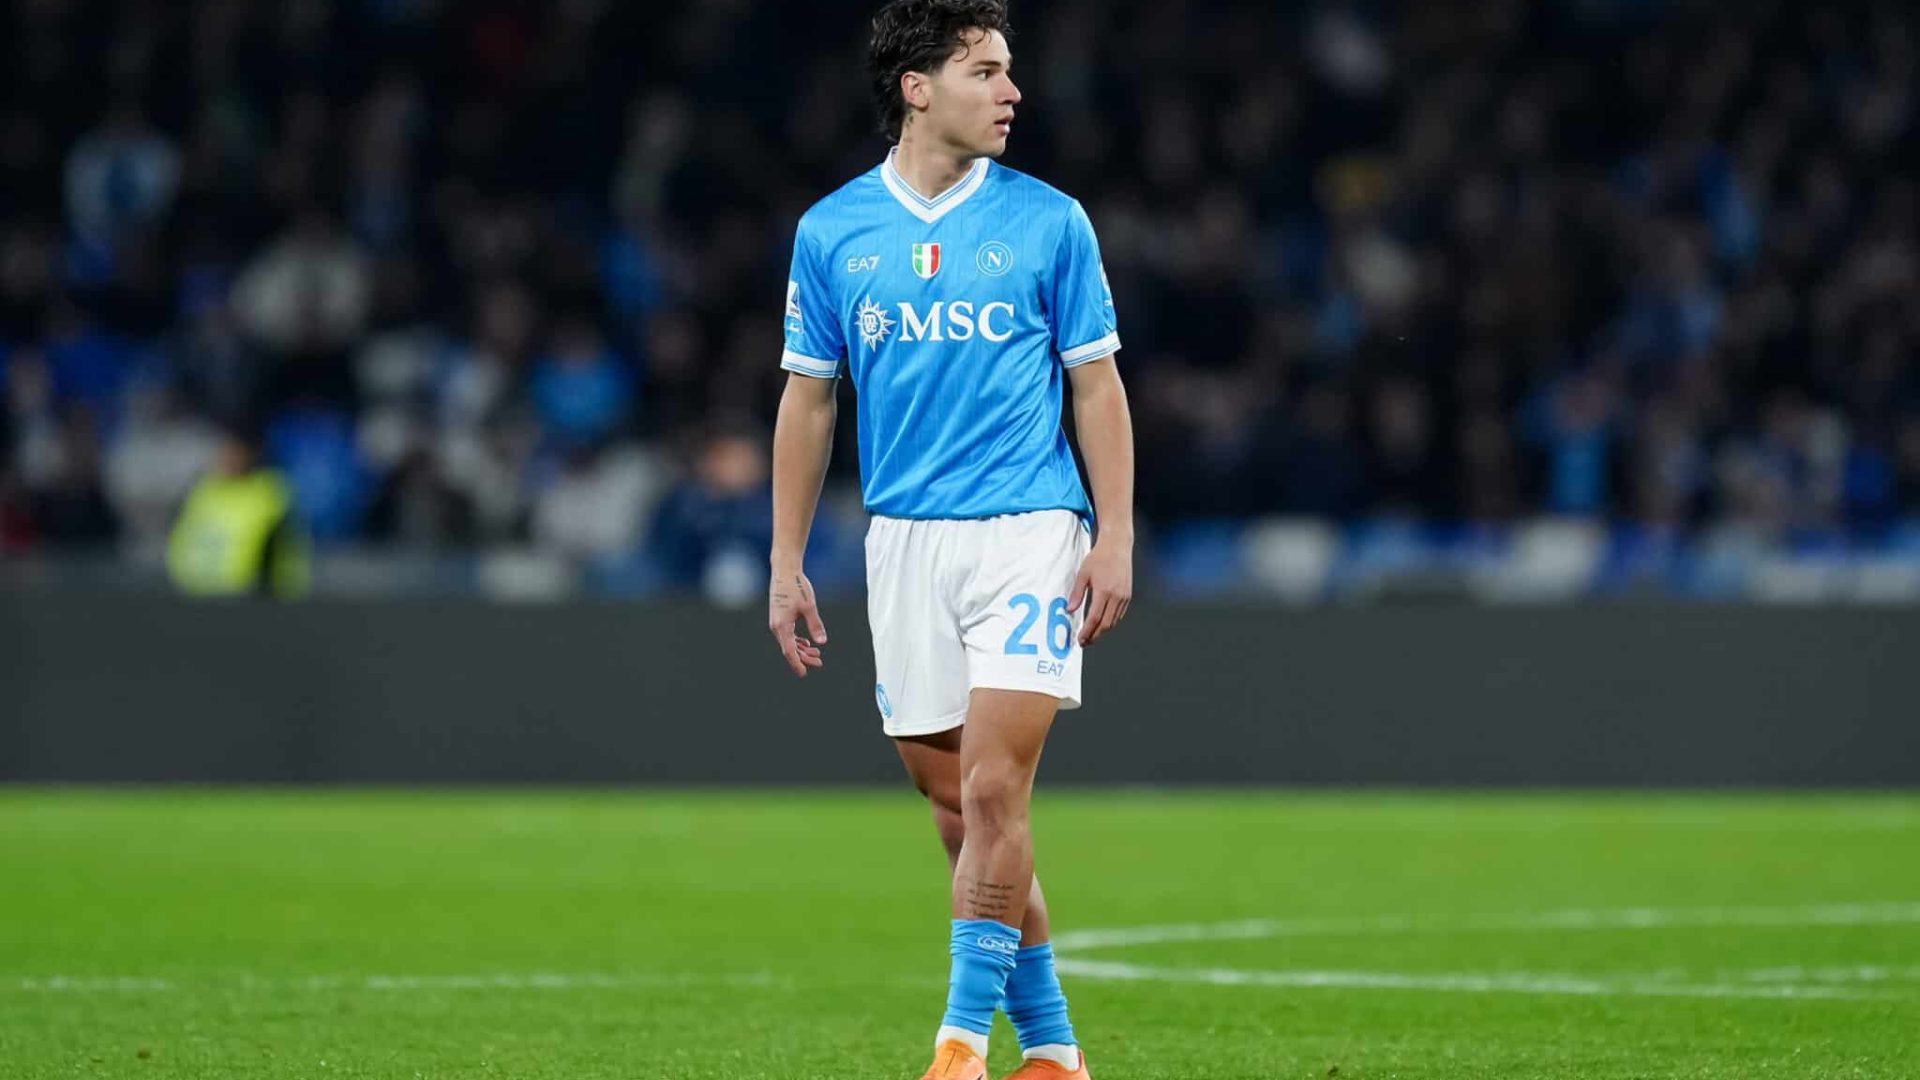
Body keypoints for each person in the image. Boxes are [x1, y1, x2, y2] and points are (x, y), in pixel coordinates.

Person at [766, 3, 1135, 1078]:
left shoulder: (1050, 221)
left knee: (991, 793)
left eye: (1010, 71)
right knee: (951, 811)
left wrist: (1112, 536)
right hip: (904, 543)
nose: (1012, 91)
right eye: (985, 71)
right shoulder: (833, 232)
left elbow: (1096, 383)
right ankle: (1058, 1051)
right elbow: (809, 402)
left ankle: (960, 1046)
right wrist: (786, 560)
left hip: (1027, 530)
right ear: (918, 88)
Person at [166, 420, 310, 599]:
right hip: (195, 597)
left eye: (235, 450)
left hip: (251, 601)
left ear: (252, 452)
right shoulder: (204, 491)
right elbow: (181, 544)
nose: (227, 456)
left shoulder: (270, 493)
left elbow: (278, 560)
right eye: (224, 449)